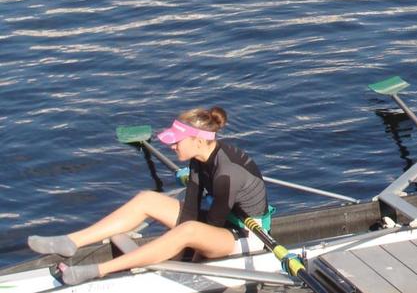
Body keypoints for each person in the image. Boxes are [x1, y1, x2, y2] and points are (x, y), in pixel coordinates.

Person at [26, 107, 272, 285]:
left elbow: (212, 222)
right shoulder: (199, 158)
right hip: (221, 222)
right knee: (147, 199)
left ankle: (98, 270)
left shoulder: (226, 173)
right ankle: (72, 241)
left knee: (187, 232)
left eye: (177, 142)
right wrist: (175, 244)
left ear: (198, 141)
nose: (172, 147)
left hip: (247, 235)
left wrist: (190, 267)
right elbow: (191, 207)